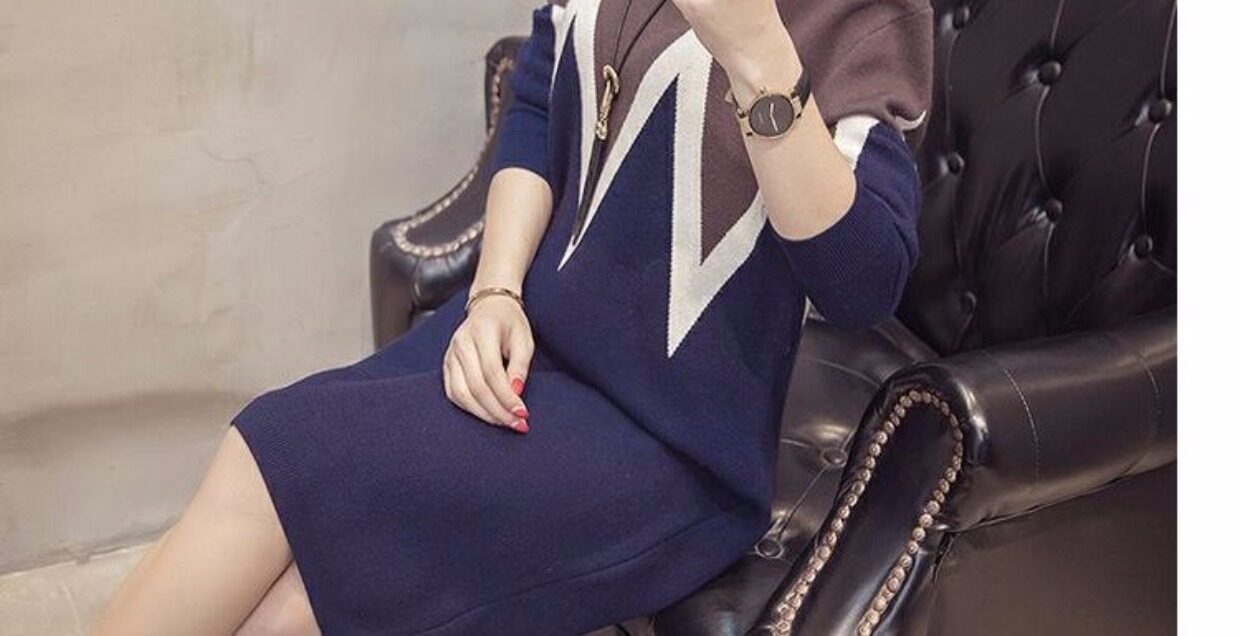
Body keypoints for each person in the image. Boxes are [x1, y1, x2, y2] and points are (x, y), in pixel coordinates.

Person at [96, 0, 931, 633]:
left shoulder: (866, 17)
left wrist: (757, 55)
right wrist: (494, 292)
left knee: (302, 567)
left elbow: (863, 282)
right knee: (273, 469)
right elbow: (535, 104)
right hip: (524, 343)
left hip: (668, 439)